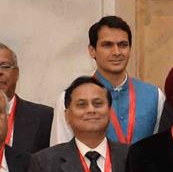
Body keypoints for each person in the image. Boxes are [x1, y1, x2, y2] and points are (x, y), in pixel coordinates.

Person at [51, 16, 163, 145]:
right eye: (107, 45)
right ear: (92, 50)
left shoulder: (155, 96)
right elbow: (59, 156)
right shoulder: (70, 97)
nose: (116, 52)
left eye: (123, 45)